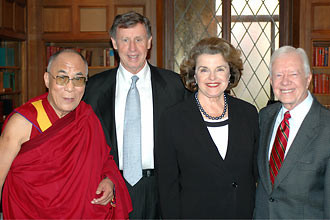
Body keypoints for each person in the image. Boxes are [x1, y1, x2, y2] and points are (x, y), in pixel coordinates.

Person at [0, 49, 132, 219]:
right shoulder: (23, 122)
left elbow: (104, 159)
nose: (70, 88)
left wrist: (109, 180)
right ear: (47, 80)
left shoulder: (87, 117)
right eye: (62, 78)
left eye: (78, 79)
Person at [83, 11, 188, 219]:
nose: (132, 48)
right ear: (114, 43)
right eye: (125, 40)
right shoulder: (94, 89)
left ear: (149, 42)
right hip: (111, 187)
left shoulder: (175, 86)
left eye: (138, 39)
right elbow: (86, 142)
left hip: (161, 188)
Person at [155, 37, 259, 219]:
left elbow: (255, 174)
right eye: (204, 70)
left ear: (230, 74)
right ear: (194, 75)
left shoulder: (248, 114)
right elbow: (167, 186)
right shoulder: (173, 118)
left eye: (220, 69)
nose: (212, 77)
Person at [254, 46, 330, 219]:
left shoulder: (327, 127)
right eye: (278, 75)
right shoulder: (264, 117)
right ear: (271, 81)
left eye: (293, 74)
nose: (285, 82)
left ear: (308, 78)